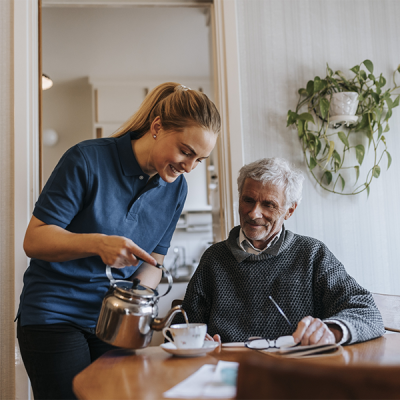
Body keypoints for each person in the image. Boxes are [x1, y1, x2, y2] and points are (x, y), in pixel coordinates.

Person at [16, 82, 221, 400]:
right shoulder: (87, 160)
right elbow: (35, 239)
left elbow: (156, 261)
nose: (189, 167)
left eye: (200, 159)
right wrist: (98, 244)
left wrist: (138, 296)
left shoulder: (176, 190)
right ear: (157, 127)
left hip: (112, 322)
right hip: (55, 314)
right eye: (185, 151)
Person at [175, 157, 385, 346]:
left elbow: (367, 312)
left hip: (296, 373)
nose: (254, 213)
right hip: (229, 371)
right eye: (248, 200)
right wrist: (194, 338)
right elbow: (182, 323)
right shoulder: (214, 258)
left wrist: (332, 332)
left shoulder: (312, 254)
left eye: (268, 204)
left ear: (289, 211)